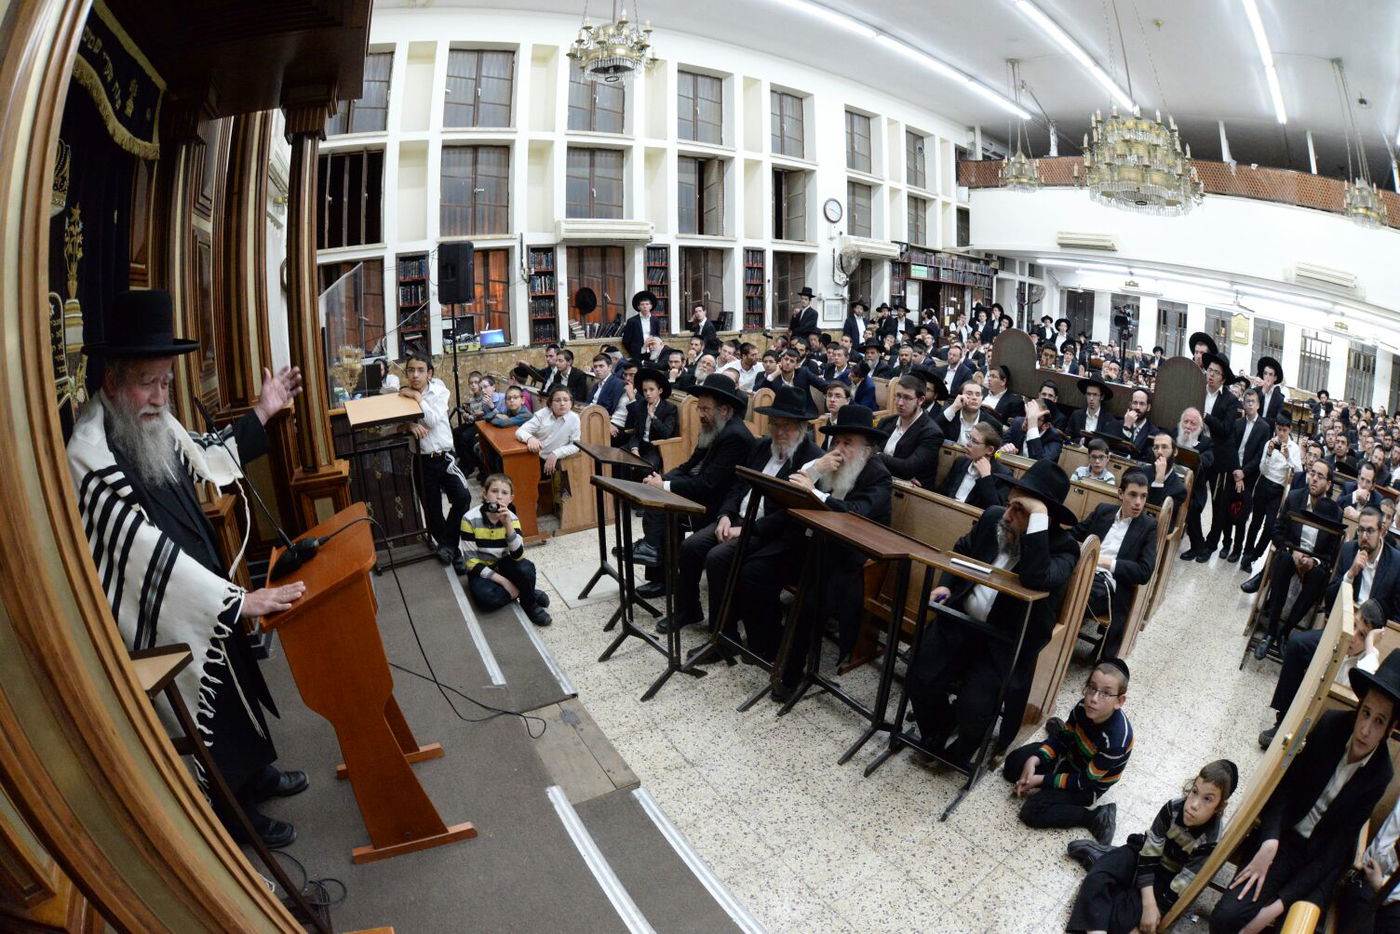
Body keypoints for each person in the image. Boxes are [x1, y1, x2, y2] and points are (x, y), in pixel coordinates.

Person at [67, 289, 309, 848]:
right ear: (113, 382)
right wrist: (235, 601)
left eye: (166, 383)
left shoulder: (153, 424)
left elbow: (207, 451)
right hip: (163, 607)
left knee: (232, 690)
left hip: (202, 589)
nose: (159, 396)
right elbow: (140, 548)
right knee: (207, 710)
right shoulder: (90, 454)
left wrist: (264, 410)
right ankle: (235, 817)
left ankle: (257, 776)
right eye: (148, 382)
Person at [907, 459, 1081, 764]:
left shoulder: (1064, 548)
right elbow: (961, 551)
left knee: (975, 707)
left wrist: (1038, 516)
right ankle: (937, 730)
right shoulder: (993, 519)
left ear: (1044, 519)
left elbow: (1035, 577)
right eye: (1010, 504)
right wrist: (947, 584)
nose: (1008, 515)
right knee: (920, 675)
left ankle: (960, 753)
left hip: (1005, 641)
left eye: (1020, 510)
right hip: (961, 622)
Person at [1209, 656, 1399, 934]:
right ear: (1359, 707)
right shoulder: (1331, 725)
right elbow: (1284, 790)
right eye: (1365, 713)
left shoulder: (1381, 773)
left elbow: (1336, 849)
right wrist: (1269, 841)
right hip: (1284, 842)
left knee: (1288, 928)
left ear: (1390, 729)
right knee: (1225, 919)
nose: (1366, 729)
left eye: (1379, 721)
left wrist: (1274, 909)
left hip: (1319, 865)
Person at [756, 404, 893, 694]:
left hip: (848, 558)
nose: (839, 449)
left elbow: (854, 514)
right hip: (813, 546)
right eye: (836, 442)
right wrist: (814, 475)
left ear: (867, 449)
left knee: (809, 603)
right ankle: (766, 646)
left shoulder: (878, 476)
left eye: (848, 443)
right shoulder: (829, 464)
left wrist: (813, 491)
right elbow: (789, 491)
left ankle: (791, 676)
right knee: (757, 570)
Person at [674, 386, 823, 641]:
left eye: (786, 426)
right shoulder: (764, 445)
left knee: (717, 558)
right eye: (775, 424)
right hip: (738, 518)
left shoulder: (812, 459)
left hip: (769, 532)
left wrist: (743, 530)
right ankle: (689, 610)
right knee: (691, 546)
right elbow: (738, 485)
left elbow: (792, 514)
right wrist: (725, 516)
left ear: (802, 428)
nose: (779, 432)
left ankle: (723, 635)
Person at [1065, 760, 1237, 934]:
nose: (1194, 804)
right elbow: (1148, 852)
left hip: (1166, 878)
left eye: (1207, 799)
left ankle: (1105, 860)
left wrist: (1153, 909)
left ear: (1219, 807)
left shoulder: (1210, 840)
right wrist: (1148, 903)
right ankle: (1108, 866)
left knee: (1127, 919)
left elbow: (1181, 886)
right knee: (1099, 877)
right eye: (1194, 792)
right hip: (1144, 853)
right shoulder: (1173, 807)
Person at [625, 375, 754, 598]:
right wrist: (661, 478)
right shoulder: (714, 427)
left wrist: (665, 485)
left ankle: (658, 563)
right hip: (705, 490)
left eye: (706, 409)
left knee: (665, 507)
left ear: (724, 410)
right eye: (699, 408)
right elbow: (689, 465)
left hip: (720, 504)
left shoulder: (735, 435)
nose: (701, 415)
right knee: (658, 495)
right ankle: (657, 564)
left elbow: (709, 485)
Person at [1003, 660, 1132, 843]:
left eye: (1105, 694)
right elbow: (1063, 741)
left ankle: (1094, 817)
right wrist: (1034, 760)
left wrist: (1040, 780)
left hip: (1087, 784)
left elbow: (1085, 780)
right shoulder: (1082, 708)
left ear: (1119, 701)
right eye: (1091, 688)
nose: (1094, 698)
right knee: (1013, 765)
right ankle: (1059, 735)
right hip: (1071, 757)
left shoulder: (1116, 740)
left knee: (1033, 810)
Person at [1248, 458, 1344, 658]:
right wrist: (1294, 552)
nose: (1314, 479)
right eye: (1312, 474)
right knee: (1281, 562)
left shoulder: (1335, 511)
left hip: (1314, 561)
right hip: (1291, 553)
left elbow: (1331, 551)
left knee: (1319, 576)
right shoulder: (1294, 497)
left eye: (1320, 476)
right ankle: (1270, 632)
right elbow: (1277, 530)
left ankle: (1286, 632)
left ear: (1329, 484)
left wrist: (1314, 561)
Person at [1260, 597, 1385, 749]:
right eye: (1353, 625)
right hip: (1312, 707)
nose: (1352, 636)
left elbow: (1370, 681)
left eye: (1362, 636)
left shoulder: (1370, 658)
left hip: (1333, 727)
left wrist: (1370, 643)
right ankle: (1283, 722)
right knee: (1297, 645)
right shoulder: (1342, 636)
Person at [1072, 471, 1159, 657]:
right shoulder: (1103, 510)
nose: (1138, 502)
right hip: (1081, 571)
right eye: (1133, 495)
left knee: (1074, 594)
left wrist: (1105, 561)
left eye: (1143, 496)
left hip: (1106, 585)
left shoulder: (1148, 526)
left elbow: (1144, 572)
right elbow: (1074, 535)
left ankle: (1058, 644)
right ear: (1121, 494)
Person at [401, 354, 474, 571]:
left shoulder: (439, 390)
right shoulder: (400, 395)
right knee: (432, 510)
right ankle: (454, 552)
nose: (415, 375)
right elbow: (389, 427)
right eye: (411, 370)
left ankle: (448, 546)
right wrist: (407, 426)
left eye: (420, 370)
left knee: (463, 497)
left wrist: (417, 398)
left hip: (443, 456)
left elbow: (431, 420)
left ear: (429, 373)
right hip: (420, 461)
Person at [459, 474, 552, 626]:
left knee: (526, 569)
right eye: (494, 491)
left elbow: (518, 556)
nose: (499, 497)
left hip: (504, 564)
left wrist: (508, 524)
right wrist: (504, 582)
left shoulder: (512, 518)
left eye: (504, 493)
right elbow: (471, 563)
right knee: (485, 599)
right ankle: (528, 593)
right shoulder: (469, 519)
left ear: (511, 498)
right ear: (485, 494)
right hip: (482, 569)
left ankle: (529, 605)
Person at [1239, 410, 1303, 571]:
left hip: (1278, 490)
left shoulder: (1294, 448)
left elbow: (1299, 471)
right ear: (1276, 428)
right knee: (1255, 522)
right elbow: (1262, 469)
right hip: (1263, 484)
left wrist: (1288, 457)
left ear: (1290, 430)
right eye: (1279, 429)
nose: (1281, 433)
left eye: (1285, 430)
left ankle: (1254, 555)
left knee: (1269, 527)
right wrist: (1268, 454)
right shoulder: (1270, 443)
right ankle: (1246, 555)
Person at [875, 374, 944, 488]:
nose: (900, 403)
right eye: (898, 396)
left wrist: (877, 455)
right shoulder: (886, 422)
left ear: (920, 400)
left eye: (907, 398)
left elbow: (908, 468)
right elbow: (867, 450)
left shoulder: (932, 433)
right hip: (881, 481)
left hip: (910, 495)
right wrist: (897, 473)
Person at [515, 386, 582, 494]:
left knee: (562, 478)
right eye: (557, 400)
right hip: (534, 455)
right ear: (550, 403)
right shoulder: (543, 414)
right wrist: (530, 438)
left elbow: (575, 445)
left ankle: (561, 505)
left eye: (566, 400)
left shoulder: (574, 418)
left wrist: (556, 453)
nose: (562, 403)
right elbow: (520, 431)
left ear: (571, 403)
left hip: (555, 460)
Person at [938, 422, 1010, 507]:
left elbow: (995, 510)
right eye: (969, 437)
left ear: (990, 450)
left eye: (975, 441)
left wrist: (986, 477)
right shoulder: (960, 462)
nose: (968, 444)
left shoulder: (1003, 474)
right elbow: (942, 493)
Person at [622, 367, 679, 472]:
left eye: (651, 389)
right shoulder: (641, 406)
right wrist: (634, 449)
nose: (648, 393)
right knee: (620, 458)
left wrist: (653, 416)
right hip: (640, 445)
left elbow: (666, 433)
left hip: (655, 447)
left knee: (646, 468)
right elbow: (636, 432)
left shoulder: (669, 408)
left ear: (660, 390)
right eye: (645, 390)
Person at [623, 290, 661, 360]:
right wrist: (634, 352)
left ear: (651, 306)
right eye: (642, 304)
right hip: (638, 353)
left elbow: (657, 336)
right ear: (638, 307)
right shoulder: (632, 321)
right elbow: (626, 340)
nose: (645, 306)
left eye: (647, 304)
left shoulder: (655, 320)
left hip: (652, 352)